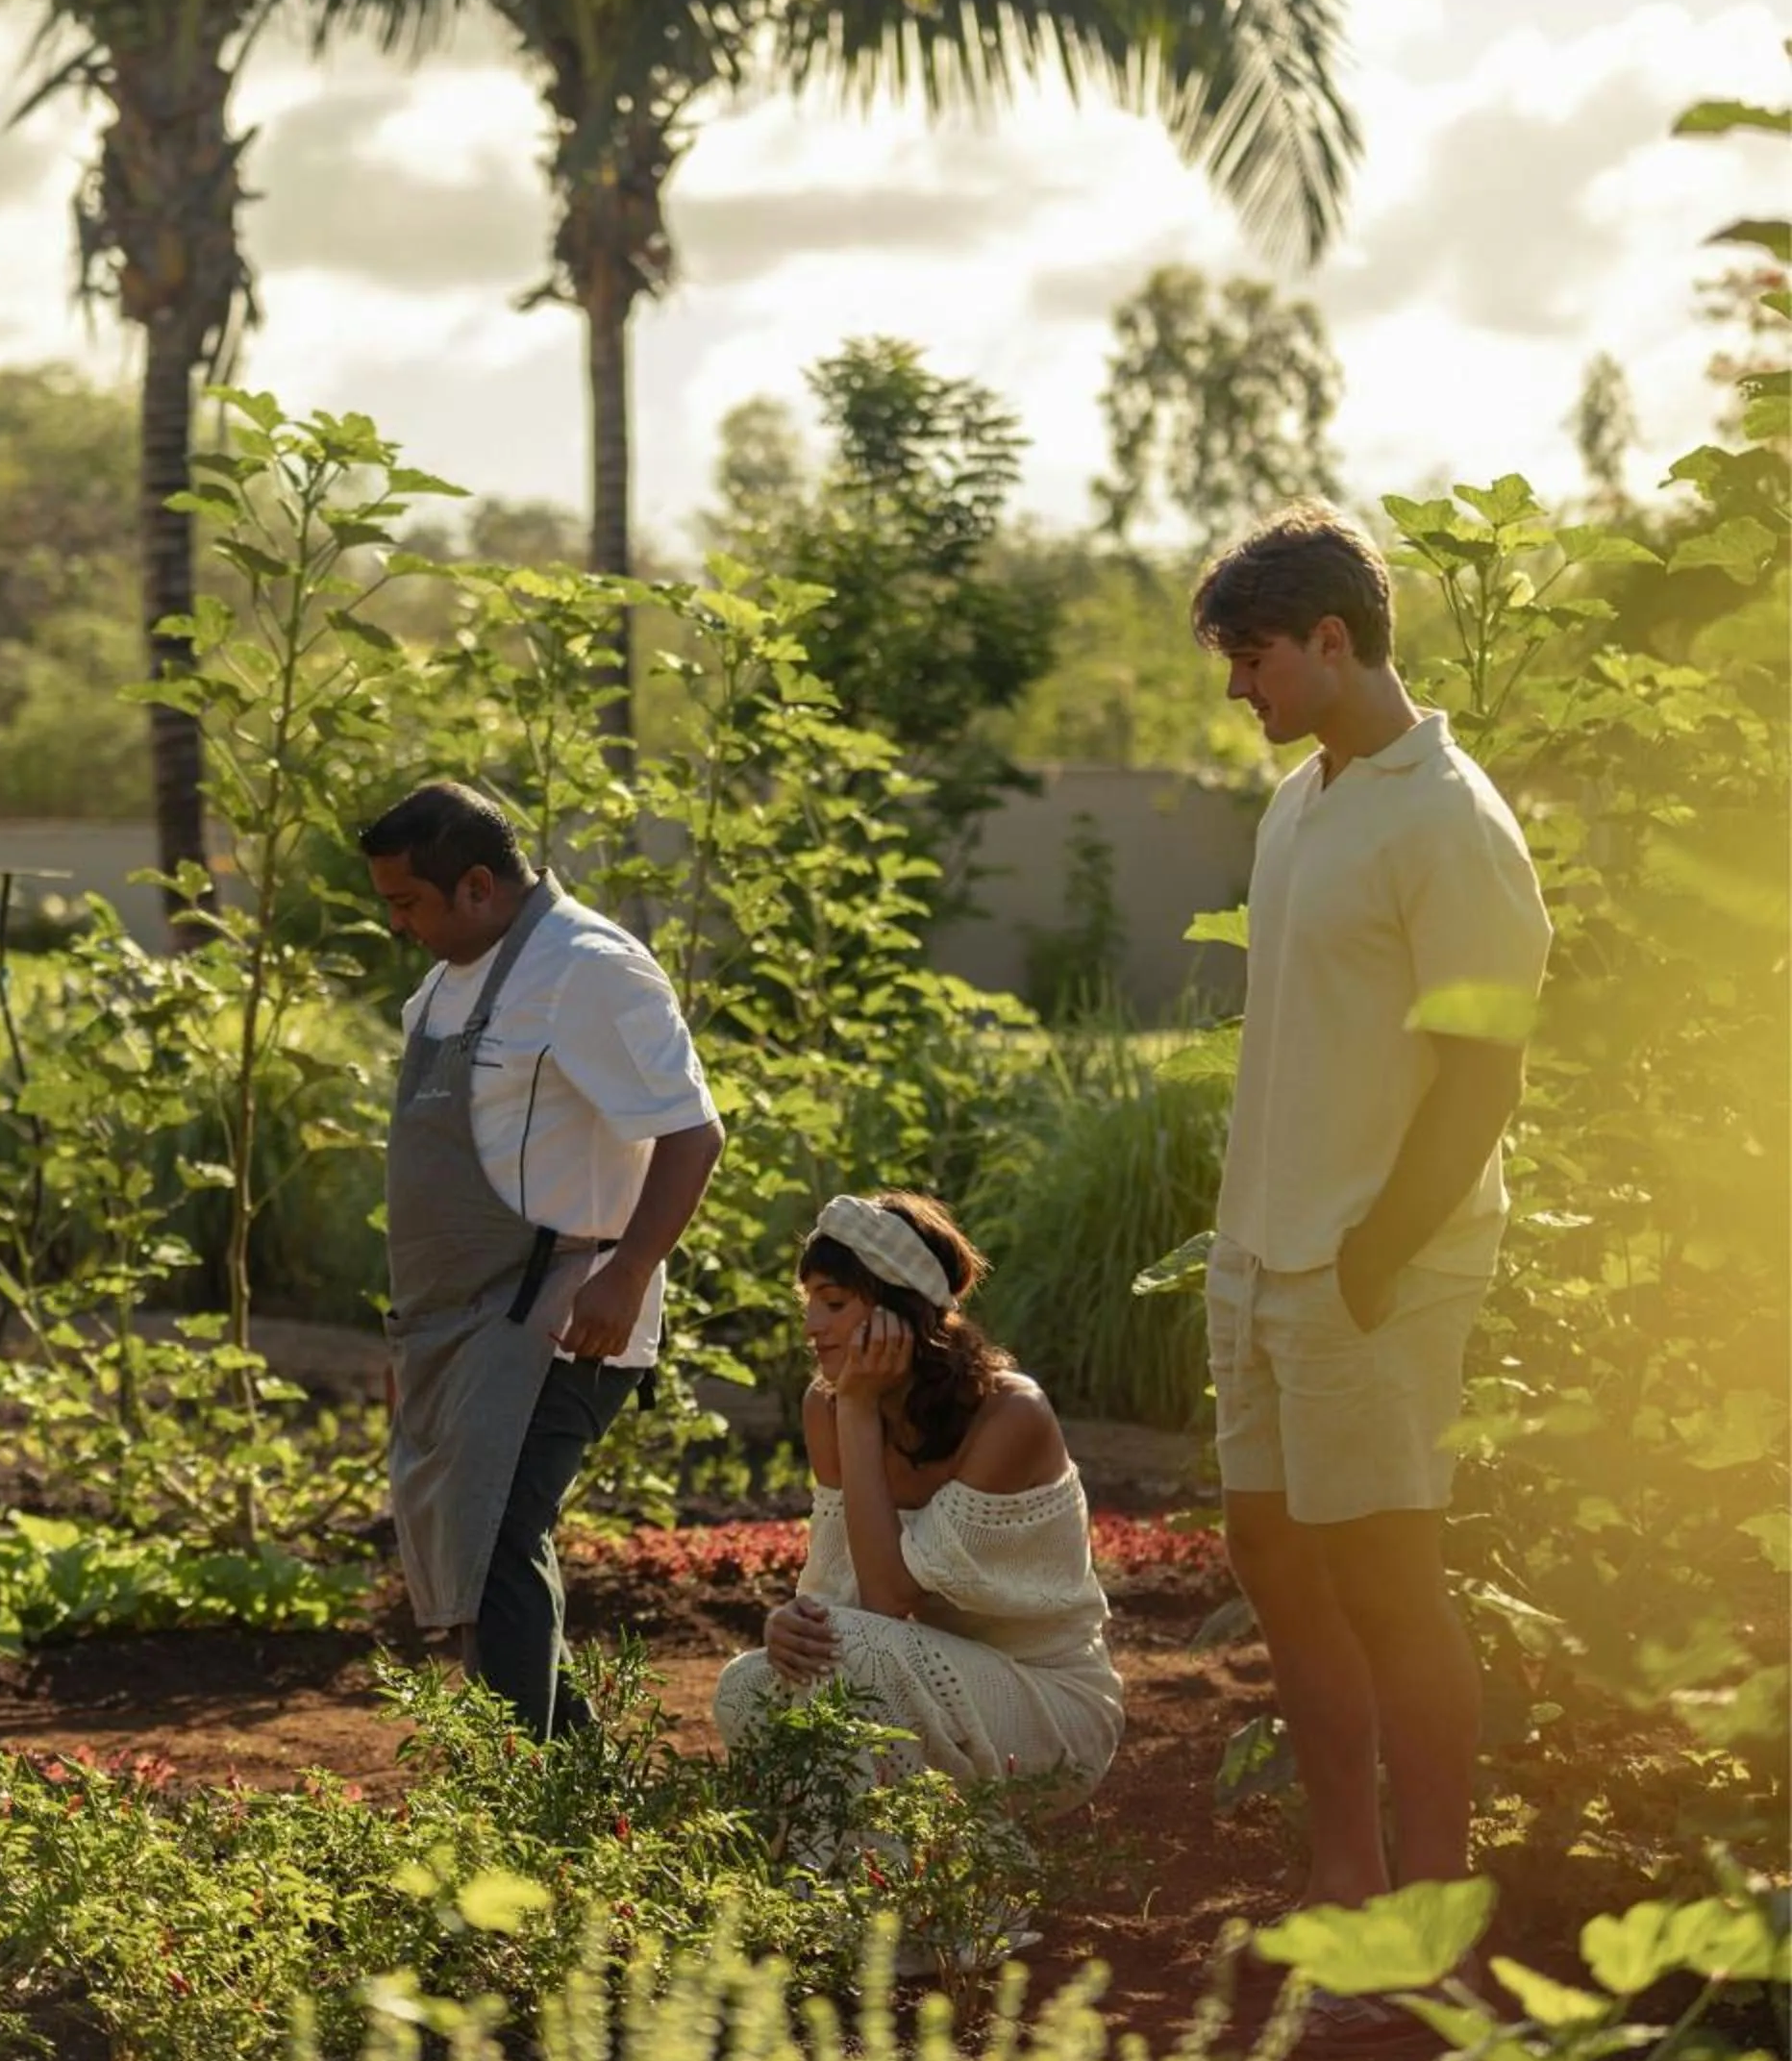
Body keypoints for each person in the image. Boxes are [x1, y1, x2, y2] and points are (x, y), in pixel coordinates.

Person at [1190, 503, 1550, 1936]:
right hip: (1260, 1254)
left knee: (1390, 1584)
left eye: (1255, 660)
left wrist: (1379, 1255)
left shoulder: (1450, 822)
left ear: (1332, 643)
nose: (1241, 690)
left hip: (1378, 1269)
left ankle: (1436, 1918)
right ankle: (1345, 1882)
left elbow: (1485, 1071)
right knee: (1280, 1567)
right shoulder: (1307, 797)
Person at [361, 780, 724, 1737]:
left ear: (476, 885)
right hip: (454, 1325)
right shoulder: (441, 988)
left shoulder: (588, 968)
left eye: (408, 904)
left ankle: (550, 1806)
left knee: (499, 1540)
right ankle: (556, 1789)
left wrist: (629, 1272)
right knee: (471, 1557)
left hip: (560, 1318)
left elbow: (690, 1132)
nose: (400, 926)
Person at [713, 1191, 1123, 1797]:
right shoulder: (825, 1407)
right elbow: (836, 1599)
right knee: (746, 1686)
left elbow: (884, 1602)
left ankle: (949, 1869)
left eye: (832, 1303)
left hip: (1047, 1704)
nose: (811, 1326)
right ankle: (832, 1879)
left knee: (859, 1653)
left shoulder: (1010, 1415)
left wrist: (856, 1410)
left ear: (897, 1313)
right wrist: (787, 1629)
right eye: (809, 1304)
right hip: (919, 1679)